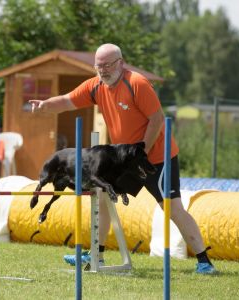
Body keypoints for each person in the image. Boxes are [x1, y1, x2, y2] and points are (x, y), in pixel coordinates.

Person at [29, 43, 216, 274]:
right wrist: (45, 105)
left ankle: (204, 261)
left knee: (171, 208)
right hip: (125, 160)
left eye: (107, 65)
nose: (103, 71)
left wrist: (142, 153)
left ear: (121, 62)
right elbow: (67, 101)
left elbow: (156, 119)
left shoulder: (137, 83)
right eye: (99, 67)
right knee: (101, 195)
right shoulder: (95, 86)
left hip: (156, 158)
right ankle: (97, 254)